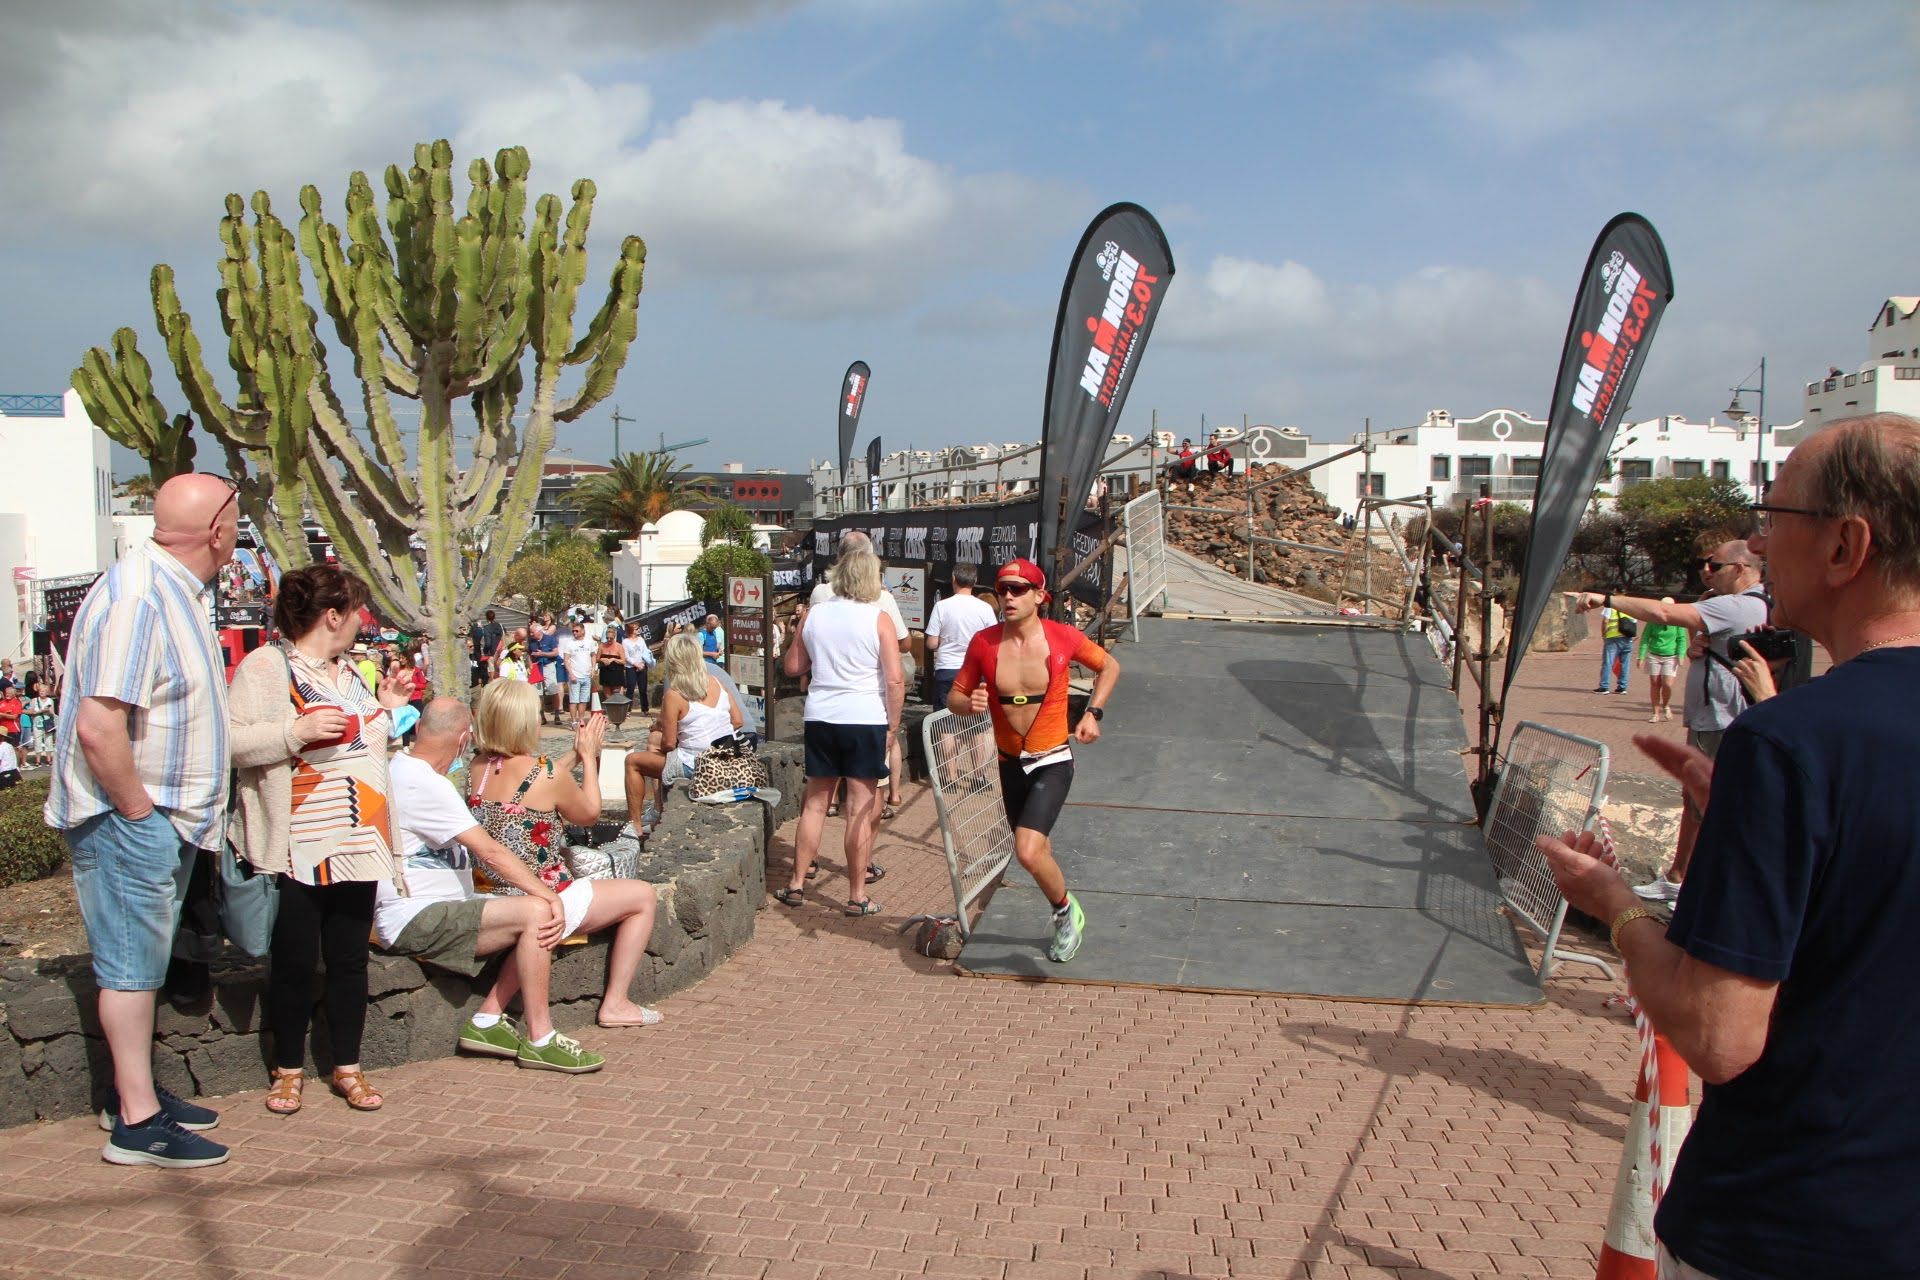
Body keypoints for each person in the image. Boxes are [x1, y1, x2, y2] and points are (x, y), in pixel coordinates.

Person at [1538, 412, 1920, 1280]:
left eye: (1773, 518)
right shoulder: (1795, 762)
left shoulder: (1793, 743)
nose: (1756, 542)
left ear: (1844, 546)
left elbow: (1718, 1036)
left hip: (1797, 1220)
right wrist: (1761, 824)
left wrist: (1617, 906)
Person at [45, 472, 239, 1167]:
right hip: (131, 817)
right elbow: (101, 727)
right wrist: (140, 814)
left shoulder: (168, 591)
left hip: (157, 818)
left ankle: (136, 1093)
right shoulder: (141, 598)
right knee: (129, 967)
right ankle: (137, 1121)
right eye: (237, 520)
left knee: (140, 965)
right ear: (218, 530)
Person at [376, 699, 661, 1073]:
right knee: (630, 897)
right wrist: (588, 758)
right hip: (459, 902)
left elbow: (531, 787)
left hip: (481, 890)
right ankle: (563, 1026)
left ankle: (489, 1019)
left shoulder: (471, 769)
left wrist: (573, 759)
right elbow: (584, 814)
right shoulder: (435, 783)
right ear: (463, 738)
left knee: (536, 914)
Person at [230, 563, 414, 1118]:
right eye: (356, 610)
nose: (362, 621)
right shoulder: (267, 667)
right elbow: (233, 741)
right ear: (333, 615)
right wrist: (295, 732)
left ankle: (347, 1067)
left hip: (359, 835)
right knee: (292, 960)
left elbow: (359, 746)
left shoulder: (349, 671)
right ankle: (287, 1070)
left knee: (349, 959)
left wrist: (383, 705)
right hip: (298, 842)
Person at [1571, 541, 1768, 901]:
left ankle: (1698, 888)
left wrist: (1606, 599)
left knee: (1708, 802)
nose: (1705, 570)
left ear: (1741, 569)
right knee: (1696, 799)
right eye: (1703, 564)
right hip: (1716, 716)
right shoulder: (1742, 605)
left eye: (1714, 564)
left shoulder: (1738, 605)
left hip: (1723, 719)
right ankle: (1680, 878)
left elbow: (1665, 615)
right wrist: (1698, 648)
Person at [949, 558, 1120, 963]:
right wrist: (966, 703)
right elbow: (954, 696)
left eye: (1018, 589)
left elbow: (1109, 665)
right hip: (1009, 765)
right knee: (1035, 847)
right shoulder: (984, 643)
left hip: (1052, 759)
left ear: (1040, 597)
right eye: (1003, 589)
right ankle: (1059, 895)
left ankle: (1065, 913)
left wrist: (1093, 713)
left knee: (1026, 852)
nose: (1008, 596)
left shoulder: (1062, 637)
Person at [776, 547, 903, 915]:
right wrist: (892, 727)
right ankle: (856, 894)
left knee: (816, 803)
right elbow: (895, 679)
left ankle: (797, 883)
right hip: (864, 716)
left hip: (821, 715)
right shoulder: (878, 619)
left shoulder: (815, 614)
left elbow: (793, 665)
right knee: (859, 808)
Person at [621, 633, 745, 838]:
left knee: (632, 761)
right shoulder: (716, 682)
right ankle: (659, 811)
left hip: (696, 763)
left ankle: (635, 825)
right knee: (656, 750)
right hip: (726, 757)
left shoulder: (675, 695)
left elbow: (669, 744)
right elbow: (737, 720)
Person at [925, 564, 997, 713]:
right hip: (977, 670)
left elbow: (932, 643)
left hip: (947, 668)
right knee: (977, 723)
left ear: (953, 579)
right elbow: (994, 642)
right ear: (975, 580)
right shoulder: (985, 608)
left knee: (945, 722)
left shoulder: (941, 606)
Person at [1637, 598, 1688, 722]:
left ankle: (1665, 705)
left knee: (1667, 684)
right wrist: (1641, 656)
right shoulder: (1653, 621)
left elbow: (1682, 639)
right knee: (1655, 683)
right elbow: (1645, 638)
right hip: (1654, 654)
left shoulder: (1677, 622)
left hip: (1671, 656)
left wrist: (1681, 655)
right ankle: (1655, 713)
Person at [557, 618, 595, 729]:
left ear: (583, 631)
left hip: (586, 675)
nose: (574, 633)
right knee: (574, 700)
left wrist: (593, 669)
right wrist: (571, 673)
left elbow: (593, 655)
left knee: (584, 700)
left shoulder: (589, 642)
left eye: (577, 631)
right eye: (573, 631)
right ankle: (574, 721)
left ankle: (581, 719)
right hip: (575, 676)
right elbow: (566, 659)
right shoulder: (570, 644)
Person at [1593, 604, 1634, 694]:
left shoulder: (1610, 606)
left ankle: (1604, 686)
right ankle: (1622, 687)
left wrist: (1604, 634)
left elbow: (1605, 621)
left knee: (1608, 662)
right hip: (1627, 638)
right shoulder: (1631, 606)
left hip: (1613, 637)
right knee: (1625, 664)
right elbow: (1634, 622)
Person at [621, 621, 655, 715]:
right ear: (631, 630)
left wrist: (642, 663)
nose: (638, 630)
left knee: (643, 689)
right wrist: (635, 664)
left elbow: (645, 652)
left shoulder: (641, 640)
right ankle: (627, 710)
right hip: (631, 667)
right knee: (630, 688)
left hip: (642, 666)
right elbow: (626, 656)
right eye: (636, 629)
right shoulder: (625, 641)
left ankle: (645, 709)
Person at [594, 628, 627, 705]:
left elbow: (623, 661)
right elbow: (597, 659)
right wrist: (602, 660)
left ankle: (617, 710)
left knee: (616, 693)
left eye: (611, 638)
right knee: (607, 694)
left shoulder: (619, 646)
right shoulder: (602, 646)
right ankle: (610, 710)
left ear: (614, 637)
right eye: (607, 638)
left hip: (616, 672)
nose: (609, 640)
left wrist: (613, 659)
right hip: (605, 672)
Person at [470, 610, 501, 689]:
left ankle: (492, 686)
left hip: (492, 652)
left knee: (491, 671)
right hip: (500, 650)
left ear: (486, 617)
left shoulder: (487, 628)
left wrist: (486, 651)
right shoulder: (499, 625)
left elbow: (487, 643)